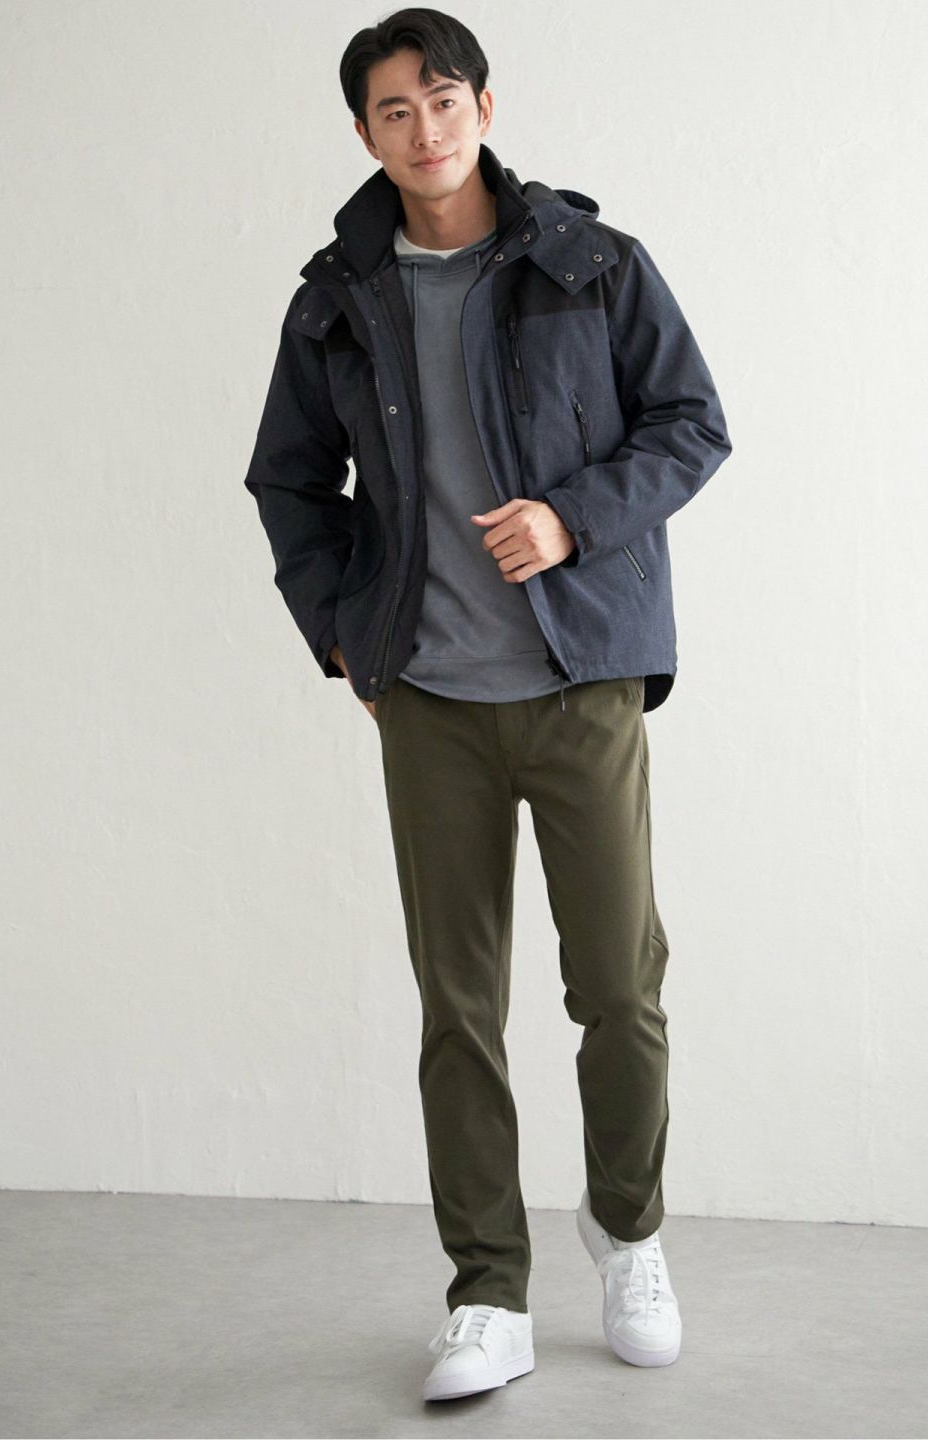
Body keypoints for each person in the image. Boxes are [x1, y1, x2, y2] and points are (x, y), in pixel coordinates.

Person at [243, 5, 733, 1404]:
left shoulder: (592, 263)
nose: (424, 128)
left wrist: (574, 519)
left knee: (619, 988)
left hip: (583, 688)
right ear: (364, 134)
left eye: (443, 99)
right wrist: (347, 643)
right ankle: (487, 1290)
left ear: (486, 107)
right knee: (458, 1010)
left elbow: (691, 423)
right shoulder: (335, 299)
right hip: (433, 706)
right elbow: (289, 482)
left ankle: (629, 1234)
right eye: (393, 110)